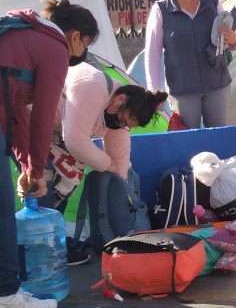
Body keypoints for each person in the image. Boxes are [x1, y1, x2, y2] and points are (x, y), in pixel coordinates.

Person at [0, 0, 98, 308]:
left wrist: (29, 167)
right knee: (3, 213)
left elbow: (15, 113)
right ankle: (7, 296)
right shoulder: (54, 47)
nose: (83, 51)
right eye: (86, 43)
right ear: (74, 36)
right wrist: (39, 170)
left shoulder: (22, 35)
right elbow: (43, 114)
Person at [49, 63, 168, 265]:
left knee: (68, 175)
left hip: (55, 129)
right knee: (53, 179)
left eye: (127, 126)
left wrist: (123, 196)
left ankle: (53, 241)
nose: (121, 126)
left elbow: (120, 159)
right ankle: (43, 247)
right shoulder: (92, 87)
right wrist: (109, 166)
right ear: (121, 99)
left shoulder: (119, 109)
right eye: (123, 120)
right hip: (26, 118)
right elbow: (76, 142)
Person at [144, 0, 236, 129]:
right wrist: (154, 90)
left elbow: (227, 42)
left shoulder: (214, 5)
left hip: (217, 86)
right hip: (182, 92)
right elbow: (153, 54)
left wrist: (233, 40)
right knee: (187, 142)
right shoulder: (161, 10)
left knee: (218, 139)